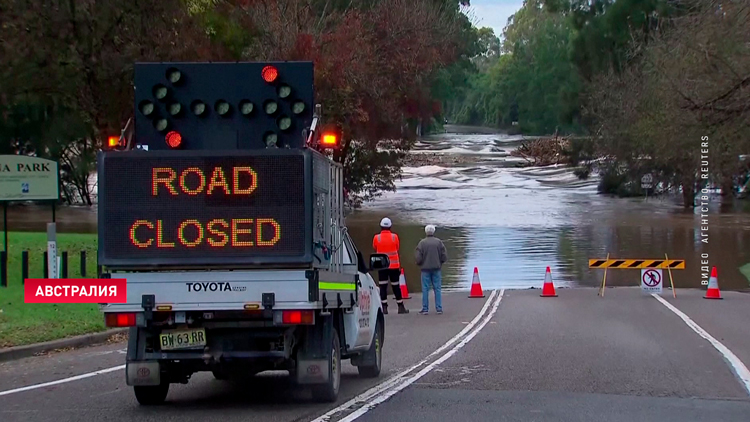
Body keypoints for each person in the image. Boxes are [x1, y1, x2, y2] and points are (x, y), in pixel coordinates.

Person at [372, 217, 409, 315]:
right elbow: (397, 247)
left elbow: (375, 247)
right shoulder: (394, 237)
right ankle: (400, 306)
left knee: (383, 286)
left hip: (382, 266)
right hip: (394, 266)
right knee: (396, 286)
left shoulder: (377, 237)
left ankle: (384, 307)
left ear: (381, 226)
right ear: (390, 226)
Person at [414, 224, 447, 315]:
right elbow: (444, 255)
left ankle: (425, 309)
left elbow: (418, 257)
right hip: (436, 268)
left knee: (425, 289)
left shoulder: (422, 243)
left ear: (425, 232)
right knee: (437, 288)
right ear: (434, 231)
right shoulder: (438, 242)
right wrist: (441, 262)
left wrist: (419, 263)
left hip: (425, 269)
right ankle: (439, 308)